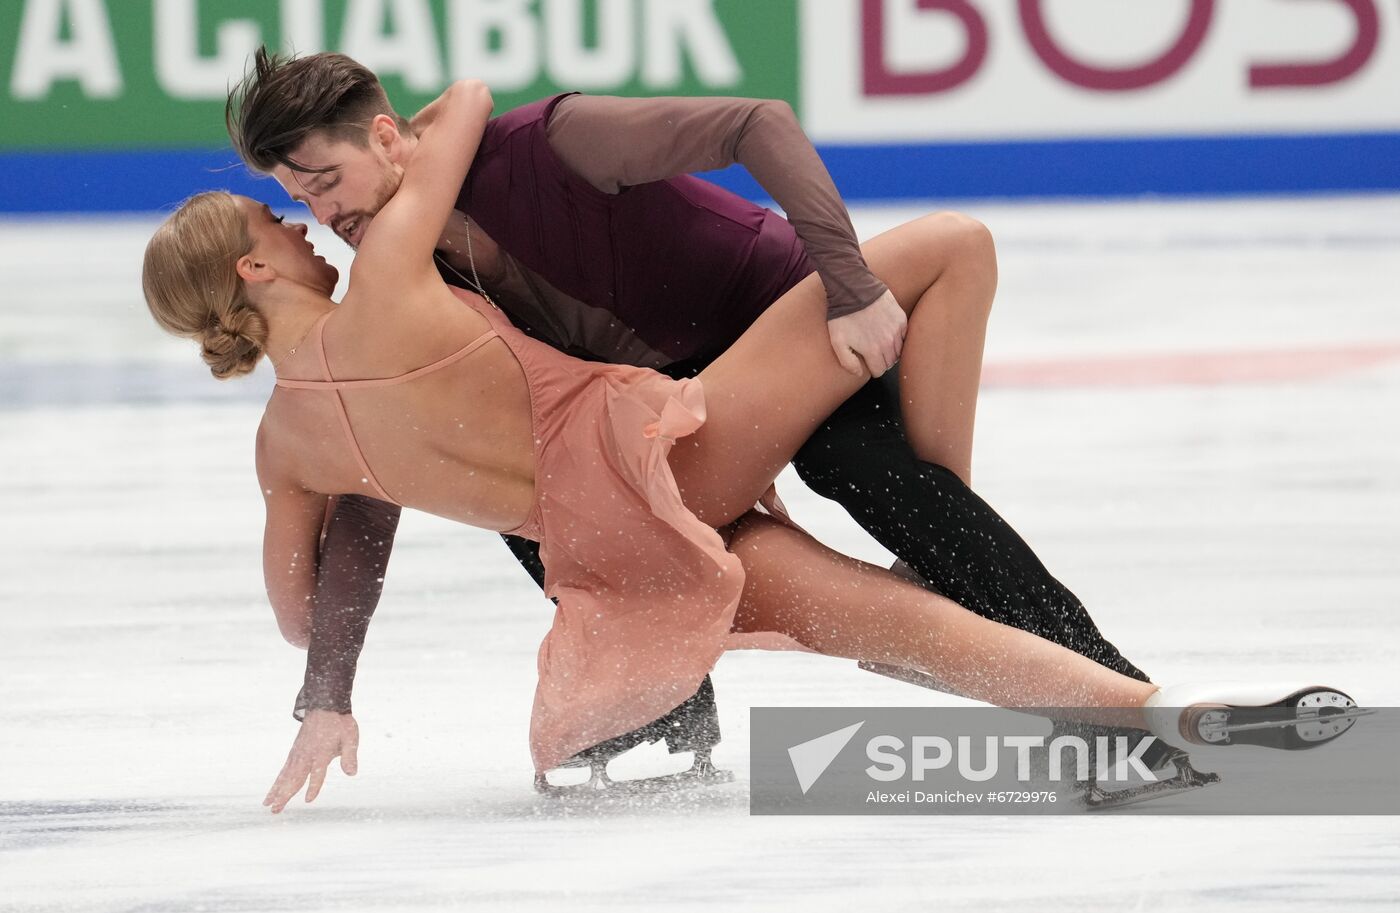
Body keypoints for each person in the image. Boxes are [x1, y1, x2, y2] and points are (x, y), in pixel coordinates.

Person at [144, 79, 1354, 814]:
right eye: (280, 211)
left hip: (600, 570)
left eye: (303, 193)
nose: (309, 220)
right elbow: (458, 111)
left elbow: (308, 603)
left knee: (902, 601)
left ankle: (1118, 705)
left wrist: (324, 694)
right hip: (659, 466)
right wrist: (394, 143)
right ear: (255, 267)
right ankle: (1163, 721)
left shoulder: (288, 444)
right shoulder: (392, 278)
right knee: (941, 242)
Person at [222, 50, 1149, 762]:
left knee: (862, 468)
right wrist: (327, 688)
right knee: (539, 503)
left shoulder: (554, 142)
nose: (321, 213)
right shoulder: (401, 267)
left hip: (785, 320)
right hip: (672, 410)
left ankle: (1099, 671)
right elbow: (374, 474)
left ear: (386, 137)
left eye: (325, 181)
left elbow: (758, 121)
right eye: (295, 196)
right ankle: (663, 712)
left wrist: (852, 282)